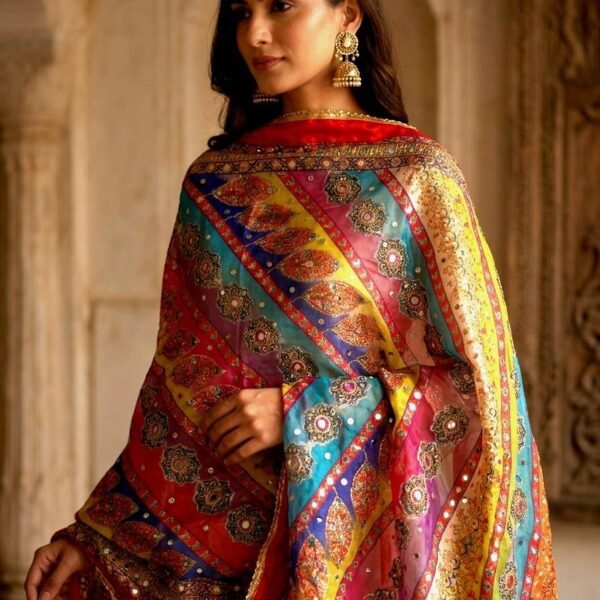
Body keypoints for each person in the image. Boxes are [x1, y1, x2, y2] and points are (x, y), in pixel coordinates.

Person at [25, 0, 559, 598]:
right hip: (220, 555)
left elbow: (478, 392)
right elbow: (175, 394)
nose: (255, 33)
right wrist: (95, 537)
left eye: (281, 6)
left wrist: (305, 412)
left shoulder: (417, 179)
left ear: (348, 15)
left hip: (361, 554)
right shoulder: (214, 183)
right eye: (241, 12)